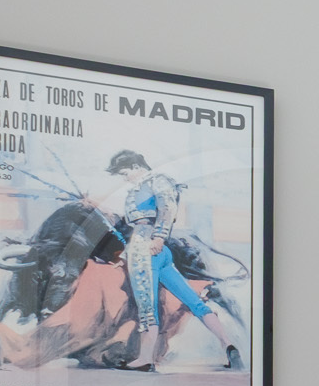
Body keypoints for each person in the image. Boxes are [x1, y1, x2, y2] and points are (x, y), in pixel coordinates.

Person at [91, 150, 247, 370]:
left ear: (136, 167)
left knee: (147, 307)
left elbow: (167, 209)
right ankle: (229, 346)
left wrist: (159, 237)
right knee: (193, 301)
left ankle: (145, 359)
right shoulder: (150, 184)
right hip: (157, 252)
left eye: (125, 173)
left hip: (145, 250)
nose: (125, 178)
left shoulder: (155, 181)